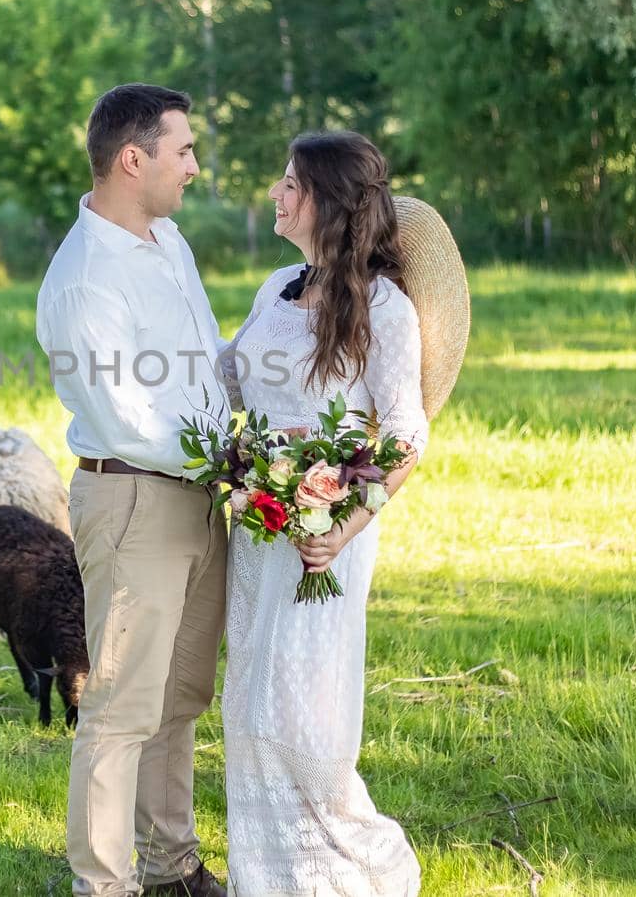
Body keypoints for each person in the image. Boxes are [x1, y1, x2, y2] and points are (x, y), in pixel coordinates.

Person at [219, 131, 427, 895]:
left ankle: (351, 869)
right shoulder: (276, 285)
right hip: (261, 532)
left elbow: (405, 436)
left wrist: (342, 526)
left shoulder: (386, 310)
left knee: (306, 716)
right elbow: (233, 379)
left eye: (291, 184)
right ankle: (267, 880)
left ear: (330, 203)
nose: (275, 193)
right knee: (249, 704)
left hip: (329, 541)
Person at [36, 83, 231, 897]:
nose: (194, 165)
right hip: (136, 502)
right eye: (183, 150)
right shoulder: (84, 280)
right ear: (133, 157)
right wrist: (238, 454)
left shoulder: (170, 241)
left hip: (199, 496)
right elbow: (127, 416)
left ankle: (171, 865)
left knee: (180, 694)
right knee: (118, 709)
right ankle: (104, 885)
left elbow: (206, 360)